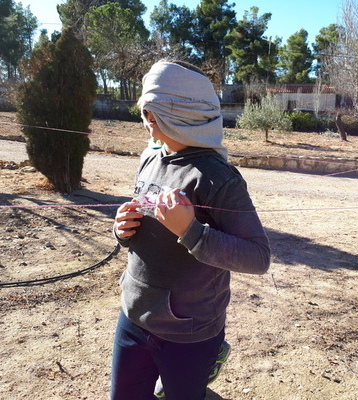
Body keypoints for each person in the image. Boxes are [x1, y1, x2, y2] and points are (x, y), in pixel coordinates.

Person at [111, 60, 270, 400]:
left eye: (154, 112)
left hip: (189, 332)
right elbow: (145, 227)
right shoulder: (150, 157)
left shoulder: (218, 177)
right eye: (145, 111)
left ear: (182, 112)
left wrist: (191, 230)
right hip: (134, 314)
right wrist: (122, 230)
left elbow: (258, 258)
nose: (146, 121)